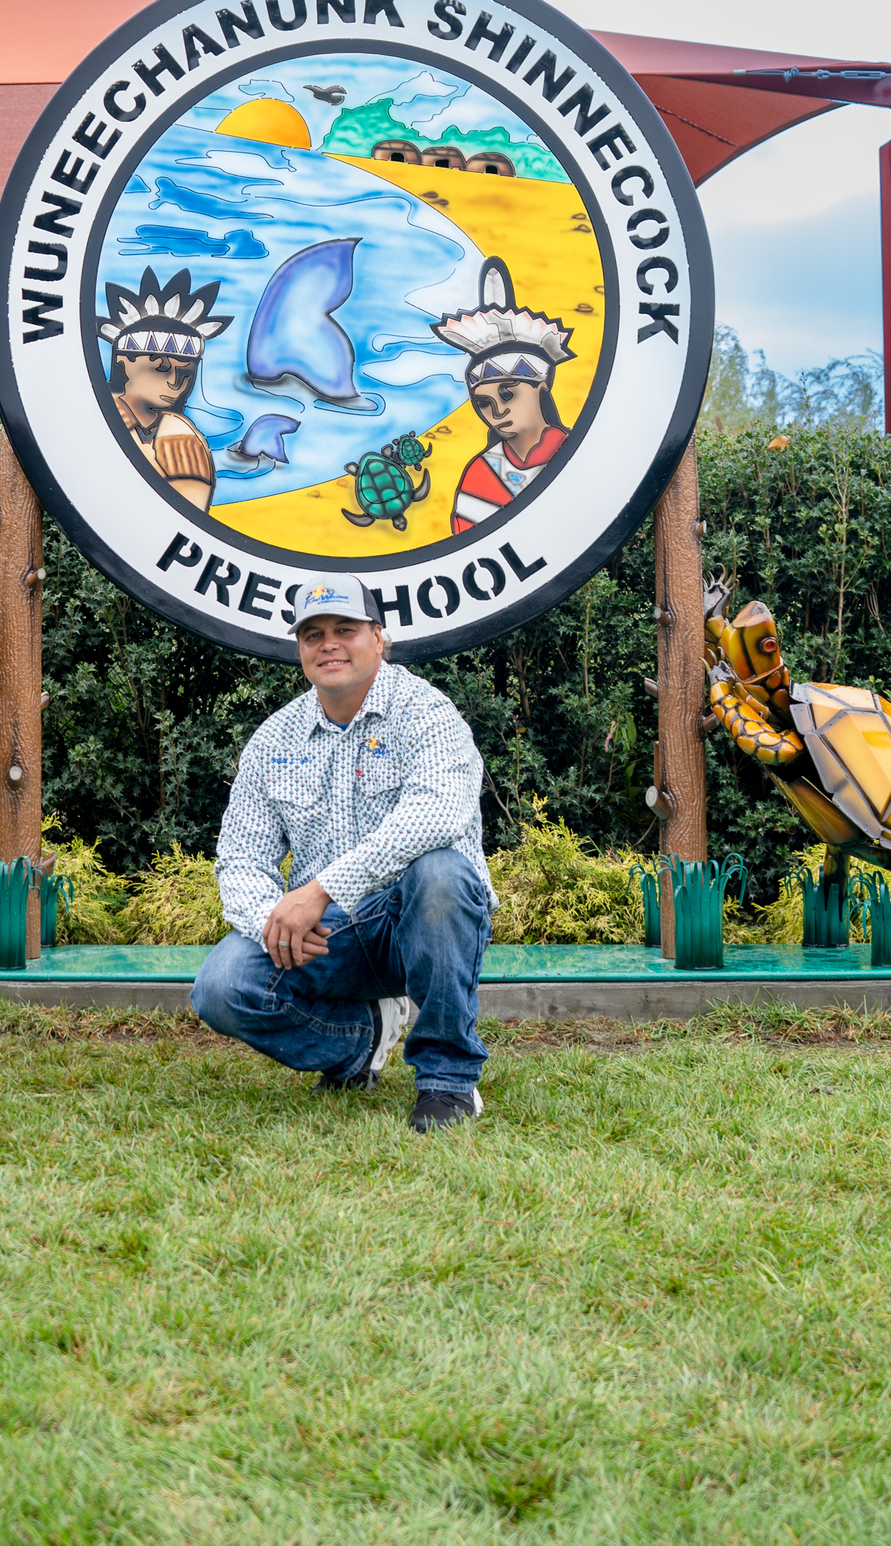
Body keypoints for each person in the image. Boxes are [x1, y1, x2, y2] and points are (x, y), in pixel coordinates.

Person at [191, 576, 496, 1132]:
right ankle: (359, 1045)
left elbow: (438, 815)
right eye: (313, 634)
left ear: (379, 638)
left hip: (415, 920)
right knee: (222, 985)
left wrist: (320, 890)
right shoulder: (274, 739)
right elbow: (239, 857)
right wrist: (271, 921)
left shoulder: (426, 712)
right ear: (301, 649)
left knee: (443, 874)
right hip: (327, 938)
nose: (328, 644)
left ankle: (448, 1085)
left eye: (345, 630)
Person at [431, 256, 575, 533]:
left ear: (541, 387)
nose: (496, 413)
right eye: (484, 404)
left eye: (508, 395)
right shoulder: (480, 472)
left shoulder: (574, 452)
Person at [97, 266, 231, 513]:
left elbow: (189, 518)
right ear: (123, 361)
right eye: (161, 367)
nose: (176, 382)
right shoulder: (94, 418)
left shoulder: (180, 434)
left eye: (187, 372)